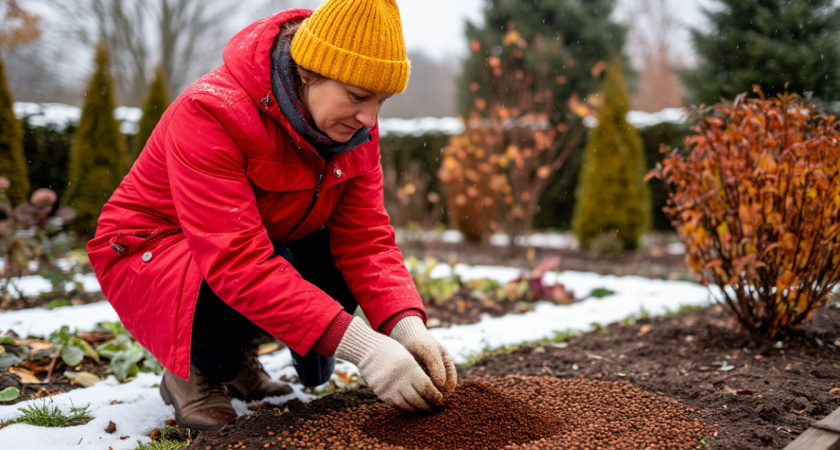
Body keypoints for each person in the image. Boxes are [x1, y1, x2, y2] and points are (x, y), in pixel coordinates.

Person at [87, 0, 457, 431]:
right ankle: (194, 369)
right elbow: (236, 260)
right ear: (309, 72)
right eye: (358, 96)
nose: (369, 118)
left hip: (262, 240)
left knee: (321, 255)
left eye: (381, 101)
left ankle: (236, 360)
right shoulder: (211, 112)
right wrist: (366, 349)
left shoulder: (356, 130)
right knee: (251, 270)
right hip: (152, 251)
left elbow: (366, 239)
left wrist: (406, 327)